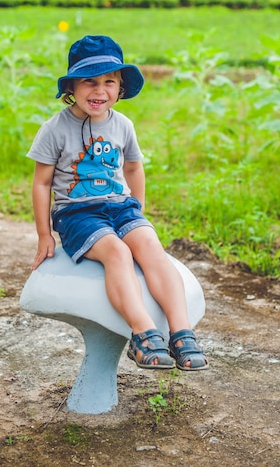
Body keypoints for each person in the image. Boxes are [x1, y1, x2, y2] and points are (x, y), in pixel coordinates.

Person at [27, 35, 208, 371]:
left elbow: (134, 168)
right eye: (89, 82)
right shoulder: (54, 129)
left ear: (121, 87)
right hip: (77, 212)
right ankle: (143, 334)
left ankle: (182, 331)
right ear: (71, 87)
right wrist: (44, 234)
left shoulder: (123, 125)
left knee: (150, 246)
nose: (99, 91)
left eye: (109, 81)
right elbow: (41, 183)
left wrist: (136, 211)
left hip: (121, 206)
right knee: (118, 253)